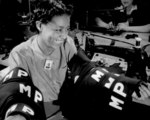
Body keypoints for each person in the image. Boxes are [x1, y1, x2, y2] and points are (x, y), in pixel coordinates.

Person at [0, 0, 150, 120]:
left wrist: (126, 84)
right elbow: (15, 91)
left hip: (67, 107)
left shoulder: (66, 44)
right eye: (58, 29)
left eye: (67, 28)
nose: (64, 35)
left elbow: (87, 69)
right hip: (42, 113)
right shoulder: (21, 54)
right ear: (40, 25)